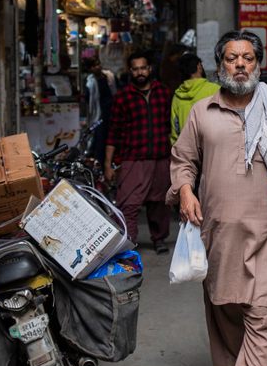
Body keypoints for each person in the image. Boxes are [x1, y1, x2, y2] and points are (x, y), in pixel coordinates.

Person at [168, 30, 267, 366]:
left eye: (247, 57)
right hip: (217, 229)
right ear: (219, 65)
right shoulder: (203, 112)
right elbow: (183, 160)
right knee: (224, 302)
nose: (241, 64)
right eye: (232, 58)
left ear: (257, 63)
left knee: (264, 308)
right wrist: (186, 193)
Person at [105, 49, 174, 254]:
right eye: (135, 69)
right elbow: (113, 131)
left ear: (149, 69)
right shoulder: (122, 97)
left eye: (143, 68)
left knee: (160, 203)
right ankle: (129, 241)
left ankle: (159, 239)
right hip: (133, 158)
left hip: (161, 157)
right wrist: (108, 164)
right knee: (129, 203)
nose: (140, 72)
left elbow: (172, 125)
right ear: (130, 71)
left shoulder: (163, 92)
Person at [170, 53, 219, 144]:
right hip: (211, 149)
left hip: (186, 150)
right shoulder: (214, 90)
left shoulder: (177, 96)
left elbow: (175, 130)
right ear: (199, 66)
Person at [82, 56, 114, 161]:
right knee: (100, 141)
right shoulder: (90, 82)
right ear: (90, 69)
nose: (98, 67)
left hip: (111, 112)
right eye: (95, 66)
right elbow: (88, 100)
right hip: (99, 116)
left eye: (98, 64)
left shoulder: (109, 77)